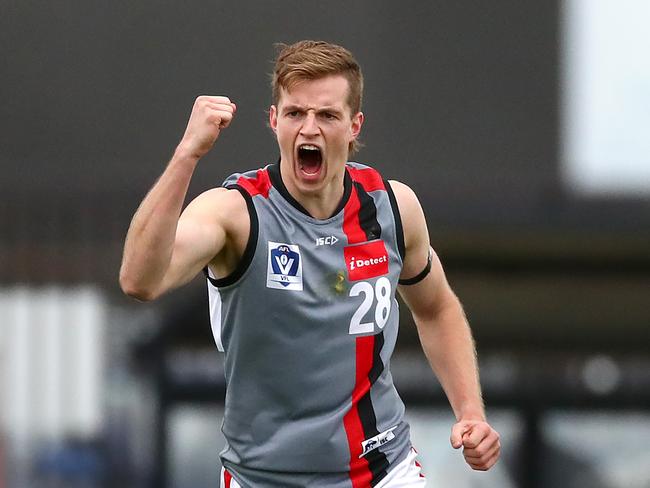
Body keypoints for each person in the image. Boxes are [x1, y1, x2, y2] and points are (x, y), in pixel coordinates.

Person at [120, 40, 500, 488]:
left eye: (327, 115)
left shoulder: (392, 208)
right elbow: (139, 280)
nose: (309, 129)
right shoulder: (236, 213)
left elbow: (436, 308)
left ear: (354, 126)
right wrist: (187, 154)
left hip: (381, 470)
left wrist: (471, 413)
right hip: (261, 477)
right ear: (274, 120)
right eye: (296, 113)